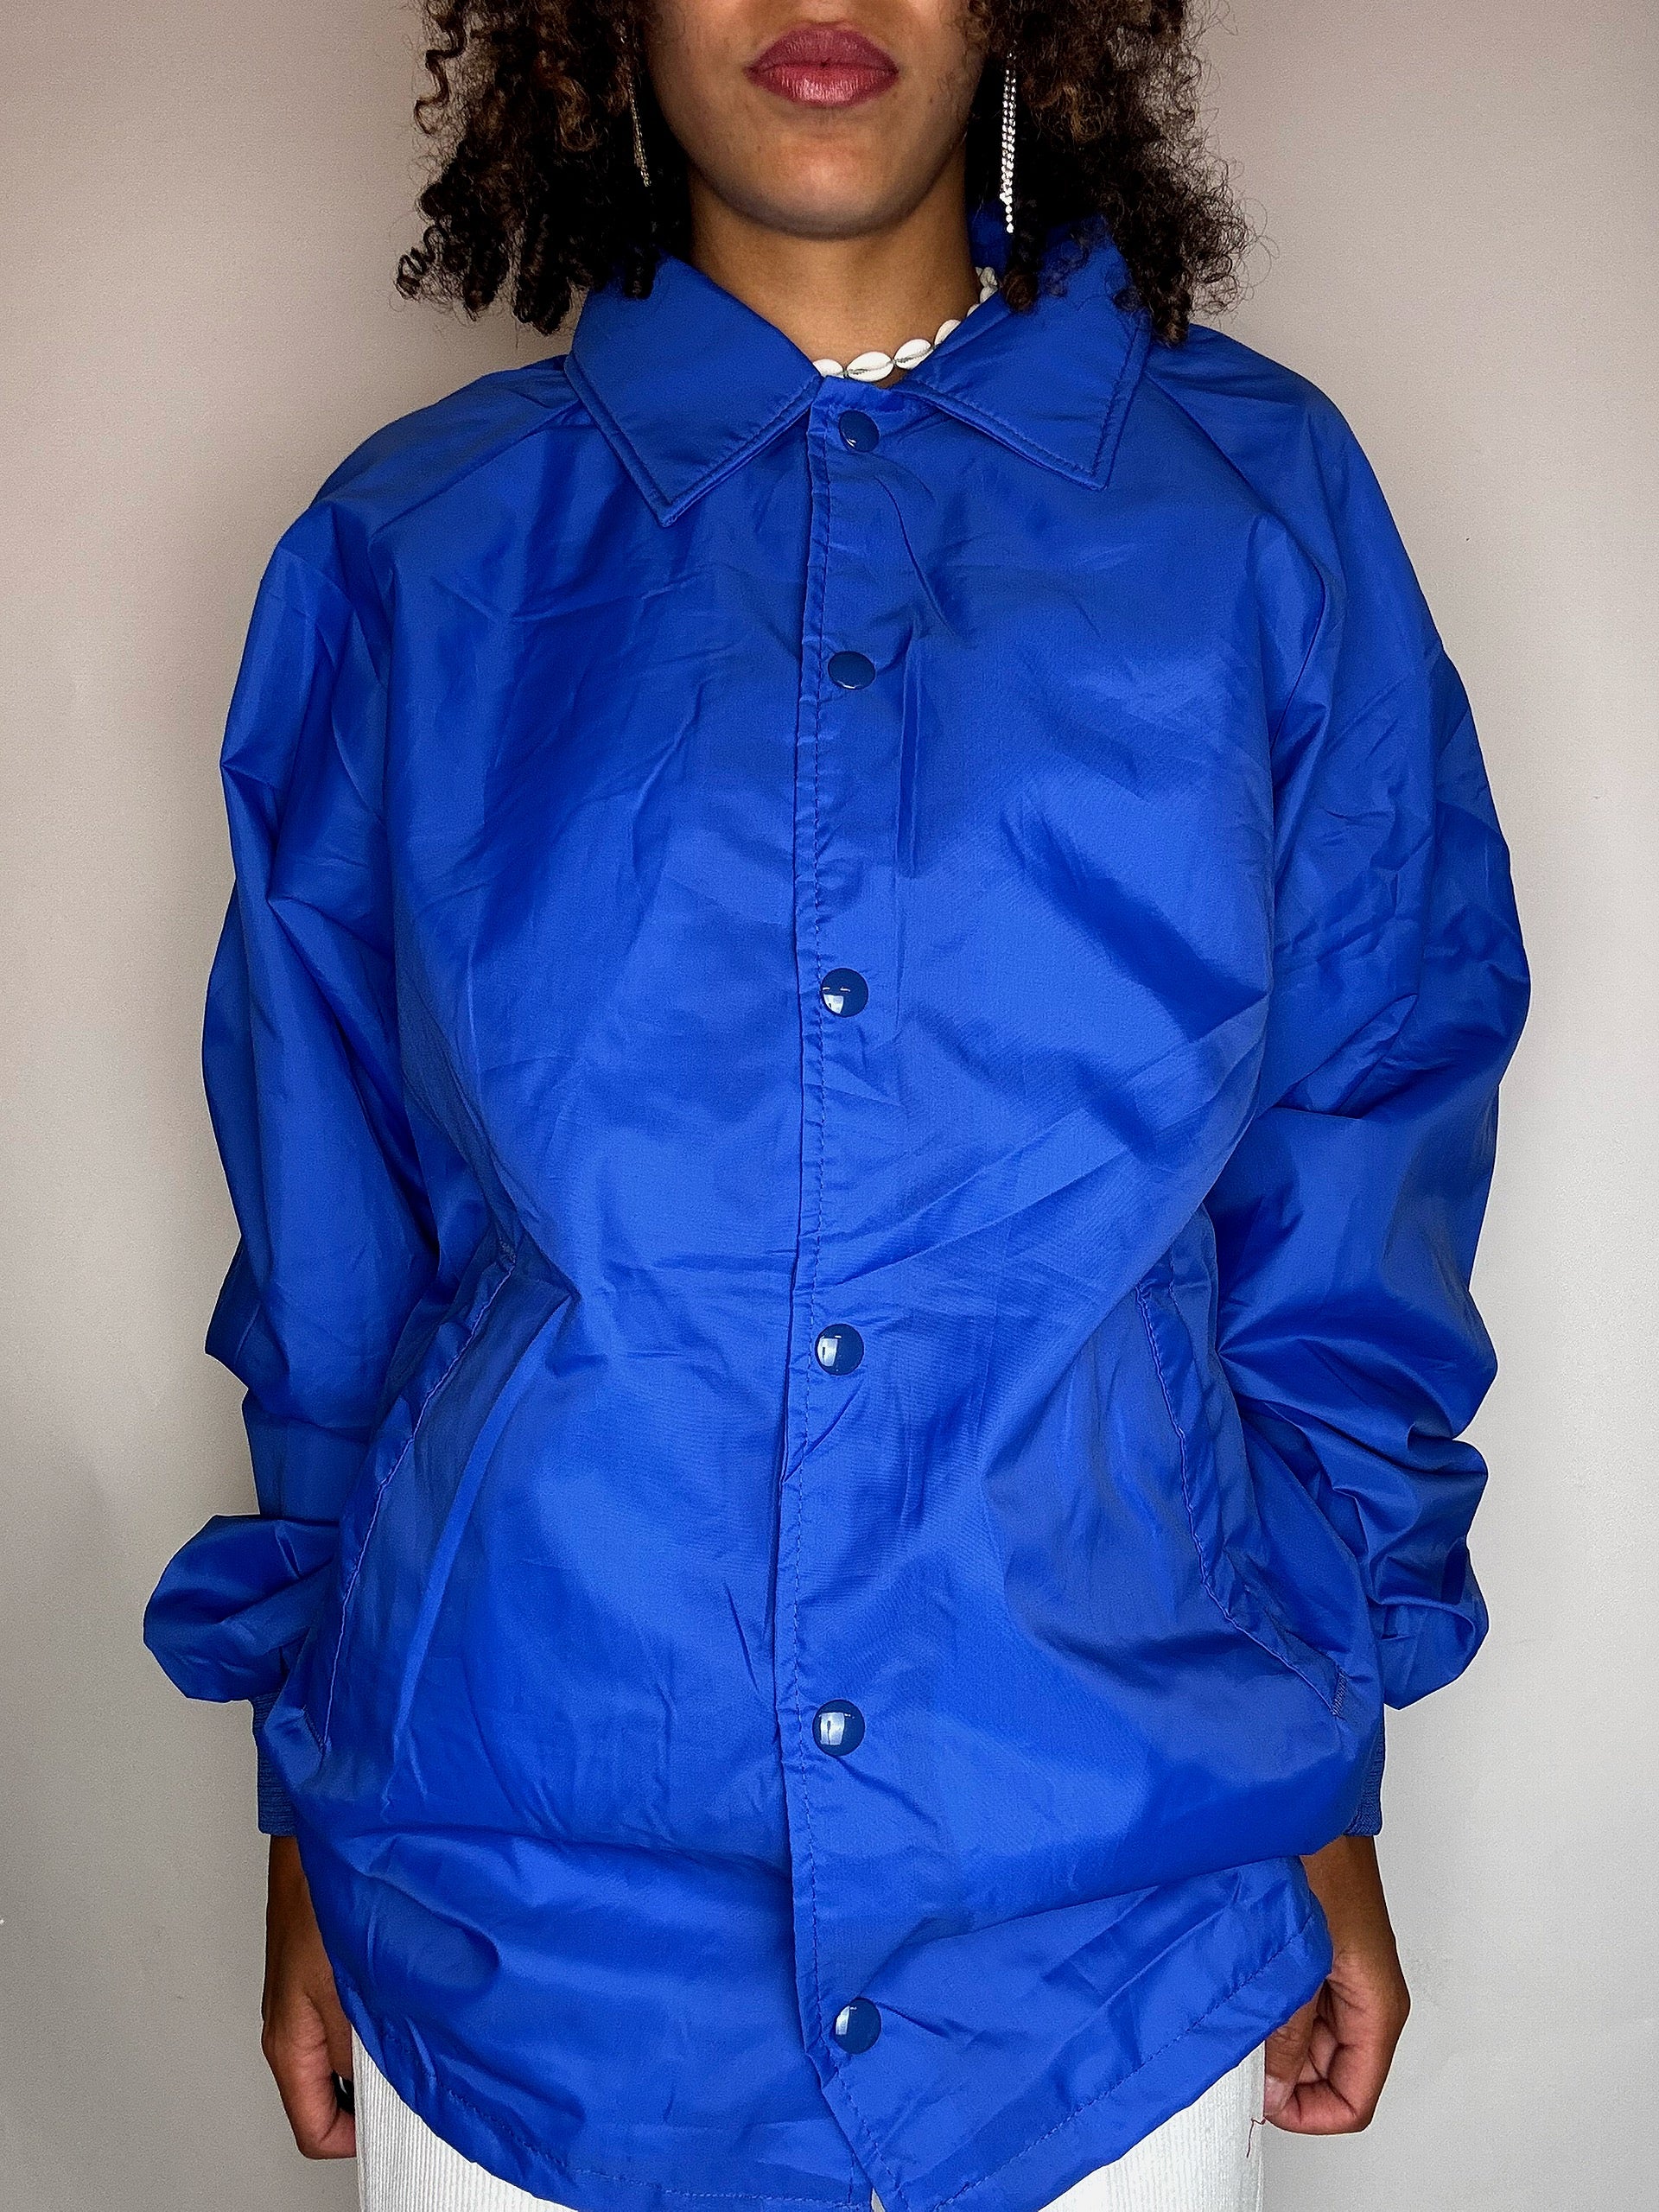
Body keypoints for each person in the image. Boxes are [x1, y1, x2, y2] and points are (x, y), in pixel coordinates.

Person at [143, 2, 1529, 2208]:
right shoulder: (417, 547)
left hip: (1106, 1943)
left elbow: (1359, 1146)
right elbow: (334, 1227)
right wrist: (306, 1798)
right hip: (519, 1945)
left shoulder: (1258, 514)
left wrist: (1315, 1760)